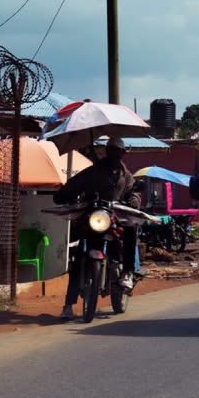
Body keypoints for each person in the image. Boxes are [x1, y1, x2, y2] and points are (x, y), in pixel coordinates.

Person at [53, 137, 142, 319]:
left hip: (114, 216)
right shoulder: (92, 172)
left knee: (131, 229)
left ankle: (127, 272)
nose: (114, 154)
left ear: (123, 153)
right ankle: (68, 305)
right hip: (92, 216)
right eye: (111, 150)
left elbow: (134, 192)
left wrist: (134, 200)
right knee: (78, 257)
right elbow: (74, 185)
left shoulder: (127, 176)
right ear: (106, 151)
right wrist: (63, 194)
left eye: (117, 151)